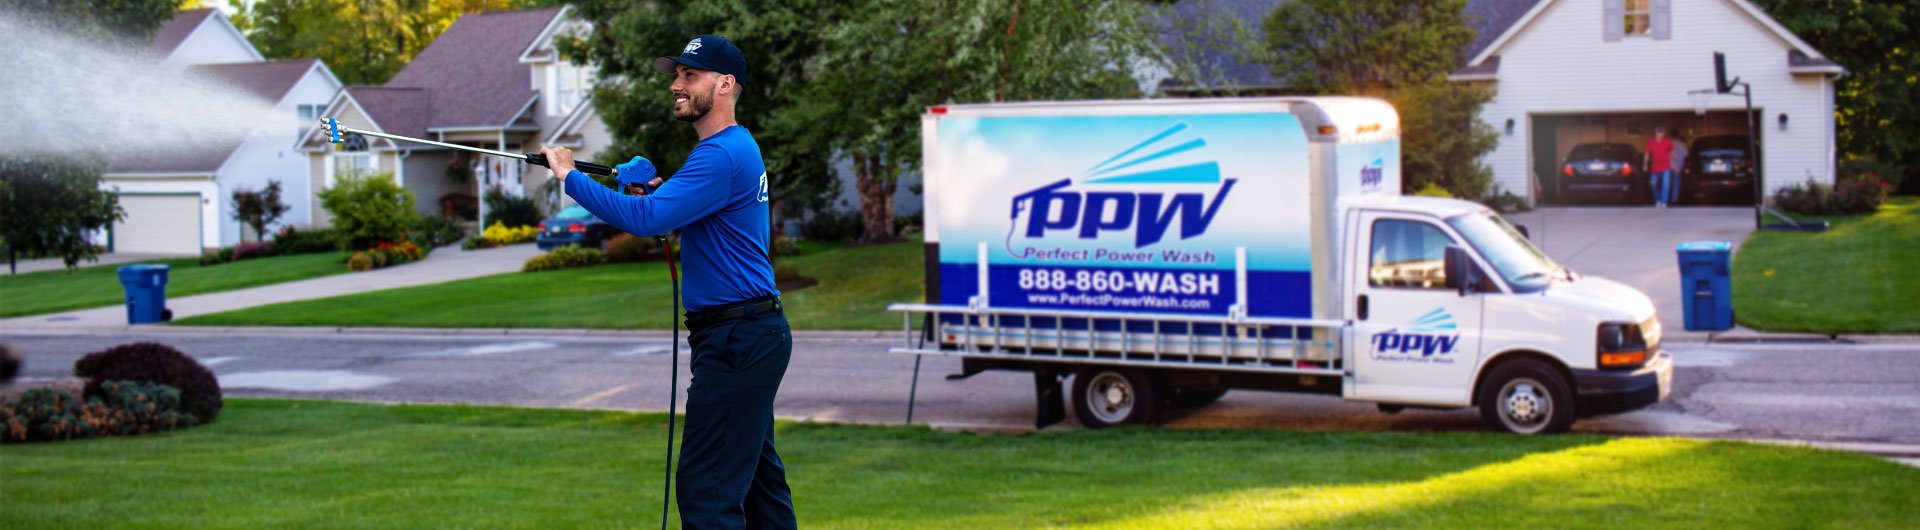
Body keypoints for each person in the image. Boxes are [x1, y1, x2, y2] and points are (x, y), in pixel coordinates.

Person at [539, 34, 796, 530]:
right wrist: (651, 188)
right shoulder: (730, 149)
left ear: (725, 85)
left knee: (707, 496)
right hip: (747, 335)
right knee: (761, 490)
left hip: (736, 341)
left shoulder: (720, 154)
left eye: (689, 75)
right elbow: (671, 208)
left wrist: (570, 176)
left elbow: (647, 220)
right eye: (676, 74)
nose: (676, 85)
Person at [1644, 125, 1676, 208]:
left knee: (1665, 184)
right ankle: (1658, 200)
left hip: (1666, 167)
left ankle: (1664, 202)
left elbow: (1672, 153)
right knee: (1653, 184)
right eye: (1659, 132)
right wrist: (1645, 164)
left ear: (1664, 133)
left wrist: (1676, 165)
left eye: (1662, 133)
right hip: (1655, 167)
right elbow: (1647, 153)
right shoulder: (1651, 141)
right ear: (1655, 133)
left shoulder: (1667, 141)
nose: (1660, 134)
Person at [1669, 132, 1689, 205]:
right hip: (1678, 166)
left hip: (1667, 166)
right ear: (1677, 136)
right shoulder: (1682, 144)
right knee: (1676, 183)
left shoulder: (1667, 144)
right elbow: (1686, 155)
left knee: (1667, 183)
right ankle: (1674, 200)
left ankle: (1666, 198)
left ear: (1670, 135)